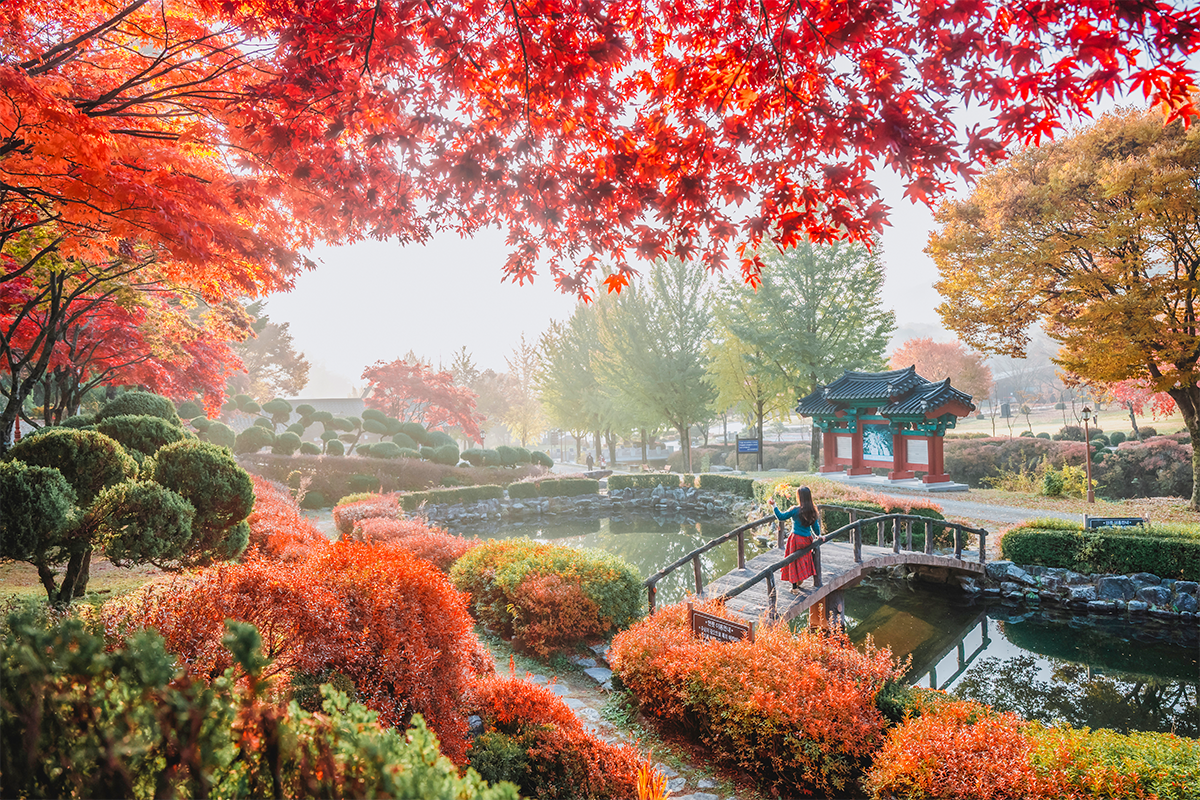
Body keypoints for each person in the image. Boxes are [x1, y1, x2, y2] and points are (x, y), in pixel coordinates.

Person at [768, 486, 819, 595]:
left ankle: (794, 587)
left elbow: (781, 517)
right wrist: (818, 536)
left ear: (799, 497)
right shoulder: (812, 510)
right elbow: (815, 527)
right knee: (804, 558)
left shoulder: (795, 510)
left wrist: (774, 505)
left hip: (795, 539)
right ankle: (801, 578)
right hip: (807, 540)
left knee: (793, 560)